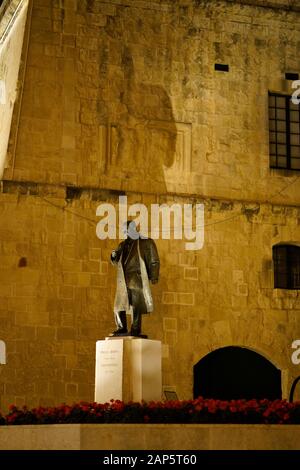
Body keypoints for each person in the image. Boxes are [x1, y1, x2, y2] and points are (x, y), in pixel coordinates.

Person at [110, 221, 160, 337]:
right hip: (123, 279)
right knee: (118, 304)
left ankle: (135, 329)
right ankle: (121, 327)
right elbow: (115, 260)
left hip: (137, 278)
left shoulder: (145, 242)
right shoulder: (122, 245)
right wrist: (113, 256)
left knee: (136, 305)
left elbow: (154, 260)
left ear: (133, 229)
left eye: (126, 230)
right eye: (123, 231)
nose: (124, 233)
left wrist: (154, 276)